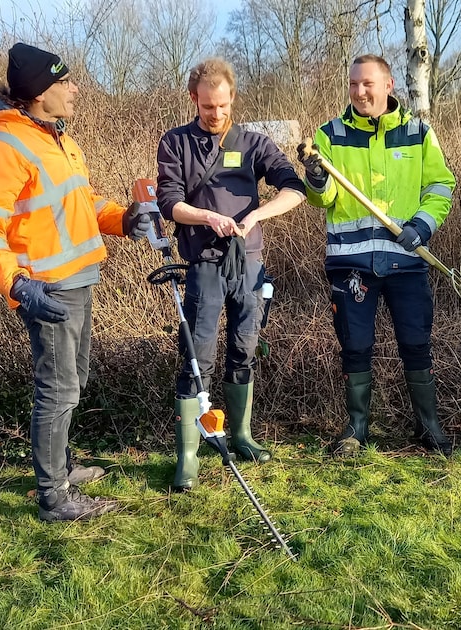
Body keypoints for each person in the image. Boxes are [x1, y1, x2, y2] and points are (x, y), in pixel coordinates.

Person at [0, 43, 153, 520]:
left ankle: (61, 467)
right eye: (65, 83)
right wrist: (17, 285)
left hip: (80, 280)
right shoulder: (2, 148)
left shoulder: (58, 139)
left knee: (75, 379)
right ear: (39, 93)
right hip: (47, 289)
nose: (74, 89)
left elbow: (81, 203)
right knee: (58, 388)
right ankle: (54, 497)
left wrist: (124, 219)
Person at [155, 57, 306, 491]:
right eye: (207, 107)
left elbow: (293, 188)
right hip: (203, 264)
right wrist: (206, 217)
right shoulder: (175, 143)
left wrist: (258, 214)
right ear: (193, 100)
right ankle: (188, 455)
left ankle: (241, 435)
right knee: (197, 359)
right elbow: (170, 203)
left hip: (250, 265)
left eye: (222, 106)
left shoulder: (255, 144)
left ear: (232, 98)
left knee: (244, 348)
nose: (216, 115)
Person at [297, 54, 456, 458]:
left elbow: (440, 186)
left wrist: (422, 225)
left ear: (388, 85)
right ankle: (357, 427)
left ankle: (428, 426)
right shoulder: (330, 134)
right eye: (353, 84)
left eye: (367, 83)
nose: (359, 91)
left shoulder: (419, 133)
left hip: (407, 261)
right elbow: (325, 198)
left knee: (417, 344)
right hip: (351, 264)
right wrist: (316, 178)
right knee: (356, 346)